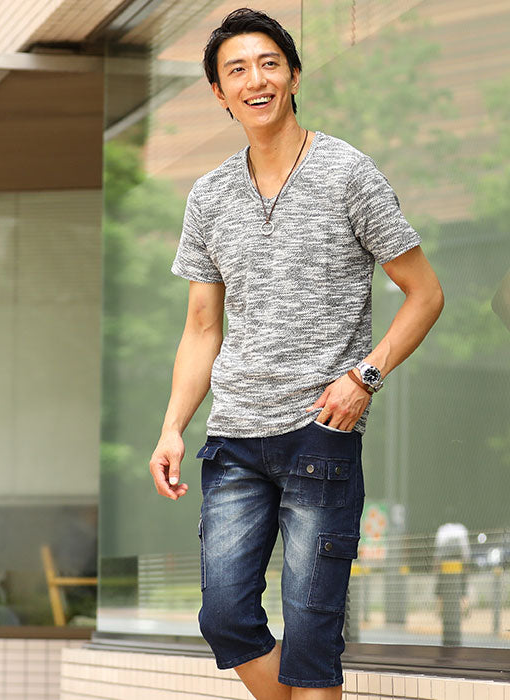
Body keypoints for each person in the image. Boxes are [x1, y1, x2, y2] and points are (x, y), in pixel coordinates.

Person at [148, 8, 444, 699]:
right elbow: (201, 328)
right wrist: (172, 426)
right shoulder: (209, 196)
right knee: (225, 619)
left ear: (294, 76)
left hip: (321, 433)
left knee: (311, 641)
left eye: (269, 64)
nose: (255, 80)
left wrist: (364, 377)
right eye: (237, 70)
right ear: (219, 93)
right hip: (234, 439)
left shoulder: (348, 173)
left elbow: (425, 294)